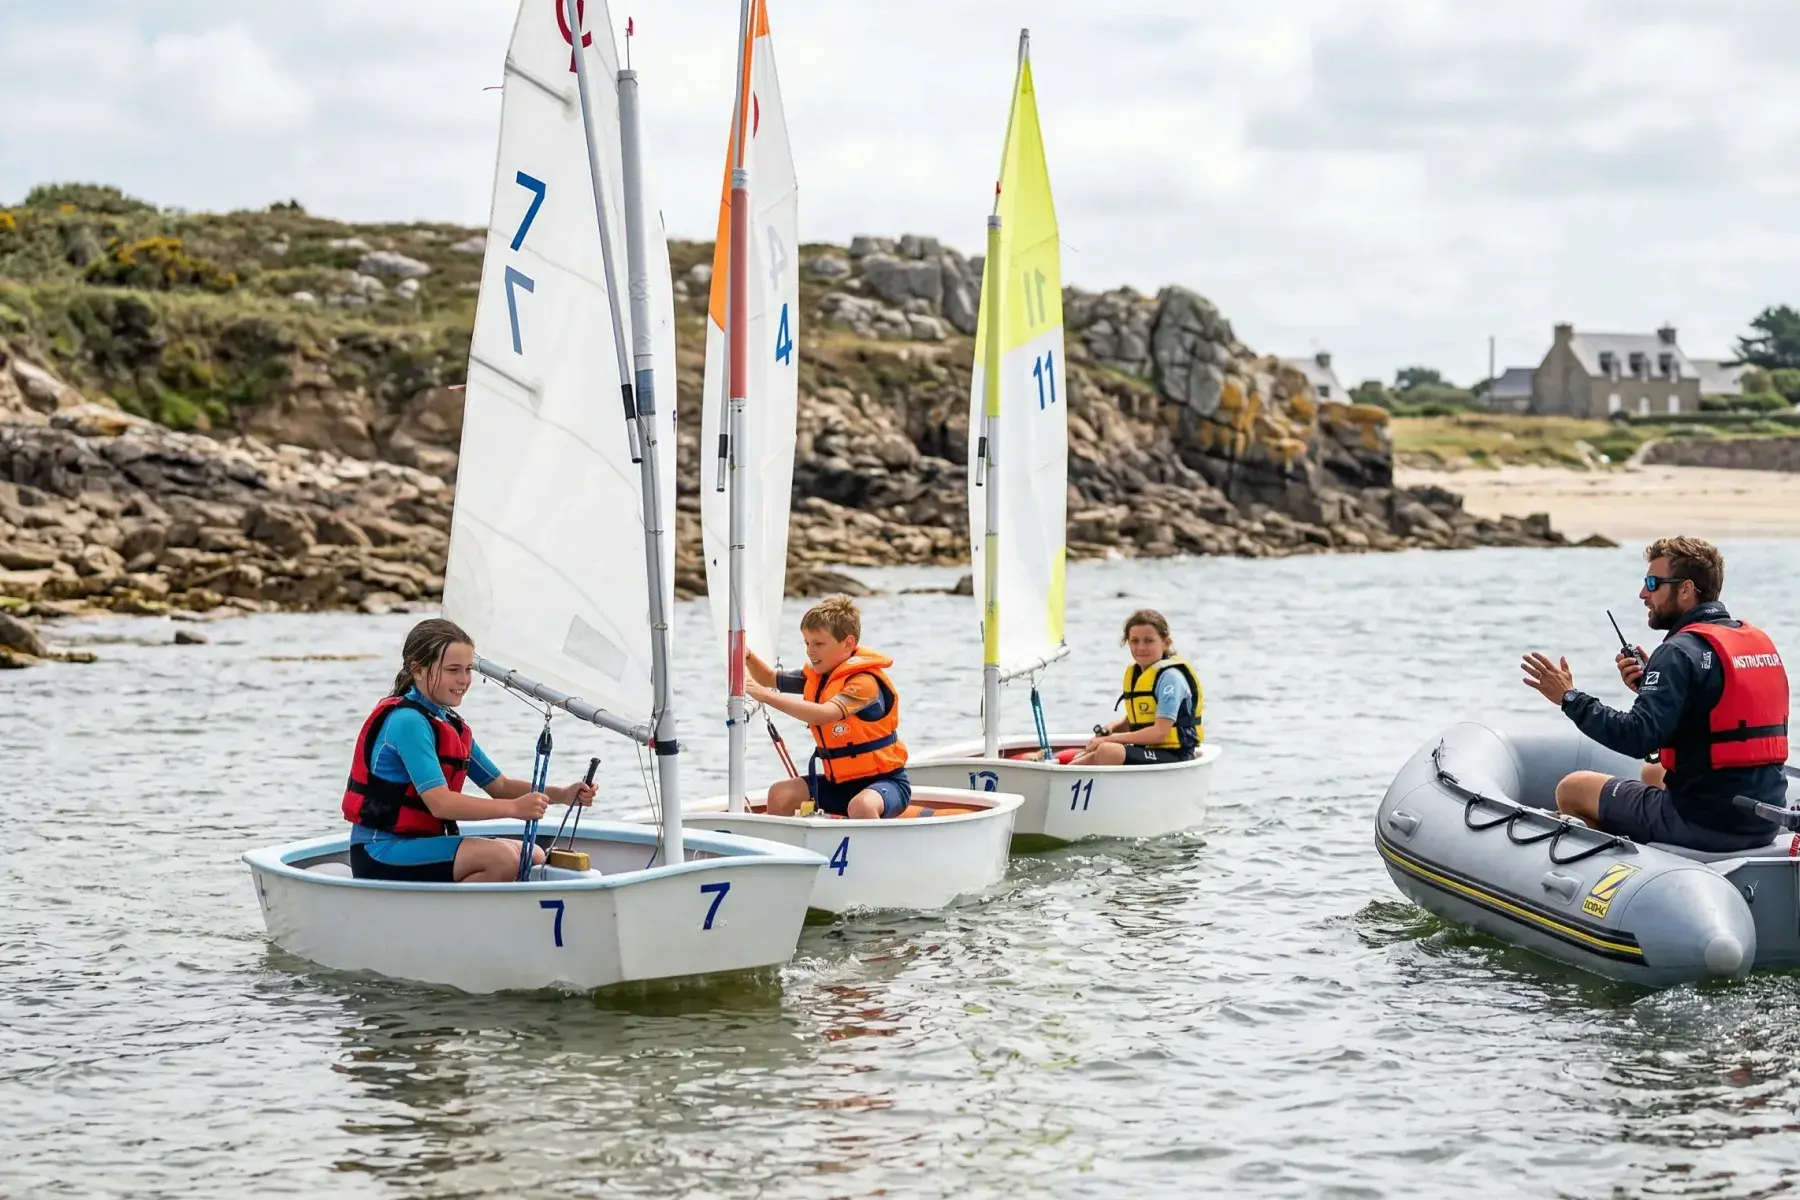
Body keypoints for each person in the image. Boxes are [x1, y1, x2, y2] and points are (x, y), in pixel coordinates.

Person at [1521, 536, 1789, 852]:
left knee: (1574, 788)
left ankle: (1620, 878)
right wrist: (1651, 684)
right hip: (1763, 821)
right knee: (1653, 771)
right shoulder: (1754, 641)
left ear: (1686, 589)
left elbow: (1636, 738)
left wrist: (1569, 698)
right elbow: (1715, 712)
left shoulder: (1677, 652)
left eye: (1652, 583)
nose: (1643, 594)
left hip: (1704, 822)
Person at [341, 618, 596, 883]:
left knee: (533, 855)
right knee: (502, 859)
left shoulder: (447, 723)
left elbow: (500, 785)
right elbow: (441, 803)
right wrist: (514, 809)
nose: (463, 680)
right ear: (417, 670)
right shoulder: (408, 722)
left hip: (422, 844)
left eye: (468, 669)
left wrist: (563, 794)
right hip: (380, 852)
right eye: (453, 670)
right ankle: (447, 923)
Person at [744, 595, 912, 820]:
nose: (810, 651)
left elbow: (825, 714)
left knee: (861, 806)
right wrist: (746, 655)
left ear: (848, 643)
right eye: (806, 643)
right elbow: (767, 678)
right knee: (780, 794)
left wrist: (765, 697)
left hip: (884, 784)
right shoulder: (818, 677)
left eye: (819, 644)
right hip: (839, 785)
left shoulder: (864, 683)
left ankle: (872, 852)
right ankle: (784, 853)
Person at [1072, 609, 1203, 767]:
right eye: (1135, 641)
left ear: (1165, 643)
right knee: (1095, 749)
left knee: (1109, 750)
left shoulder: (1170, 678)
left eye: (1149, 641)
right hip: (1148, 750)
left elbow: (1160, 733)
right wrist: (1112, 729)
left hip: (1176, 755)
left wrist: (1109, 739)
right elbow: (1139, 721)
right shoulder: (1136, 673)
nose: (1141, 647)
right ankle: (1063, 774)